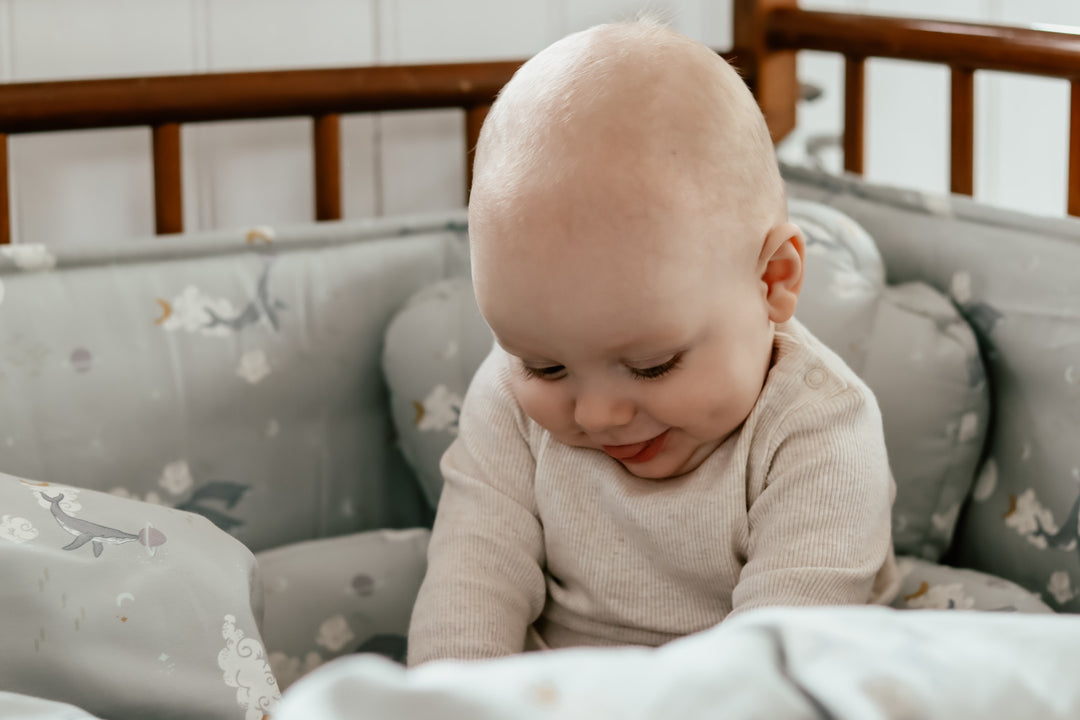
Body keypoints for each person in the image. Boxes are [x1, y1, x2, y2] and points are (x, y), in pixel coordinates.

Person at [407, 18, 899, 666]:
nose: (596, 415)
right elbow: (468, 591)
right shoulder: (505, 400)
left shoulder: (820, 431)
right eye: (546, 367)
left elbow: (780, 661)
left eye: (651, 366)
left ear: (773, 280)